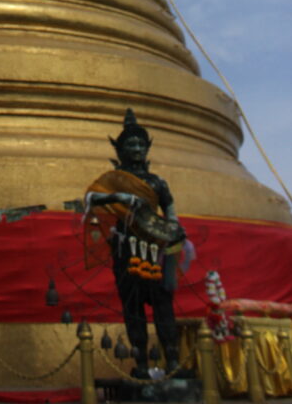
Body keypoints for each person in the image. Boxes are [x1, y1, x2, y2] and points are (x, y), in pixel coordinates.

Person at [85, 109, 187, 379]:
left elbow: (171, 211)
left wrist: (174, 228)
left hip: (156, 247)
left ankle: (172, 359)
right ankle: (140, 361)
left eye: (141, 144)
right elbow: (91, 199)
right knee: (133, 307)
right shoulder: (114, 181)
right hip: (127, 249)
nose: (137, 148)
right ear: (120, 150)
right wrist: (119, 196)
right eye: (130, 144)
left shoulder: (157, 182)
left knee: (164, 305)